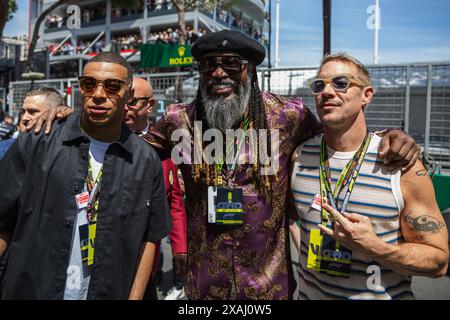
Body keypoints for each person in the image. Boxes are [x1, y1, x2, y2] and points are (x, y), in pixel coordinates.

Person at [30, 31, 420, 300]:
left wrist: (392, 136)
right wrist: (71, 115)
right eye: (209, 65)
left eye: (231, 64)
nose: (219, 73)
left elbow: (340, 133)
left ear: (249, 69)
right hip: (203, 284)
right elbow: (121, 143)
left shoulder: (289, 116)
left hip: (270, 286)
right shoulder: (178, 121)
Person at [0, 52, 171, 299]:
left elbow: (149, 238)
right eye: (89, 84)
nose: (99, 95)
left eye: (113, 86)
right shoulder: (38, 141)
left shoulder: (145, 160)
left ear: (129, 96)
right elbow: (3, 221)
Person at [290, 53, 448, 300]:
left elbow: (439, 261)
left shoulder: (399, 164)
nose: (327, 92)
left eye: (341, 82)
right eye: (319, 85)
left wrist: (376, 248)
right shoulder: (300, 156)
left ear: (366, 95)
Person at [126, 78, 188, 300]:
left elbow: (173, 201)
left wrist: (180, 247)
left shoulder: (163, 144)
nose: (124, 107)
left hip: (148, 263)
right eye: (121, 99)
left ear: (149, 105)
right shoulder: (101, 140)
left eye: (131, 101)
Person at [0, 87, 64, 159]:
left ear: (54, 114)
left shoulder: (66, 150)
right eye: (24, 111)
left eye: (32, 112)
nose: (24, 118)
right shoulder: (5, 149)